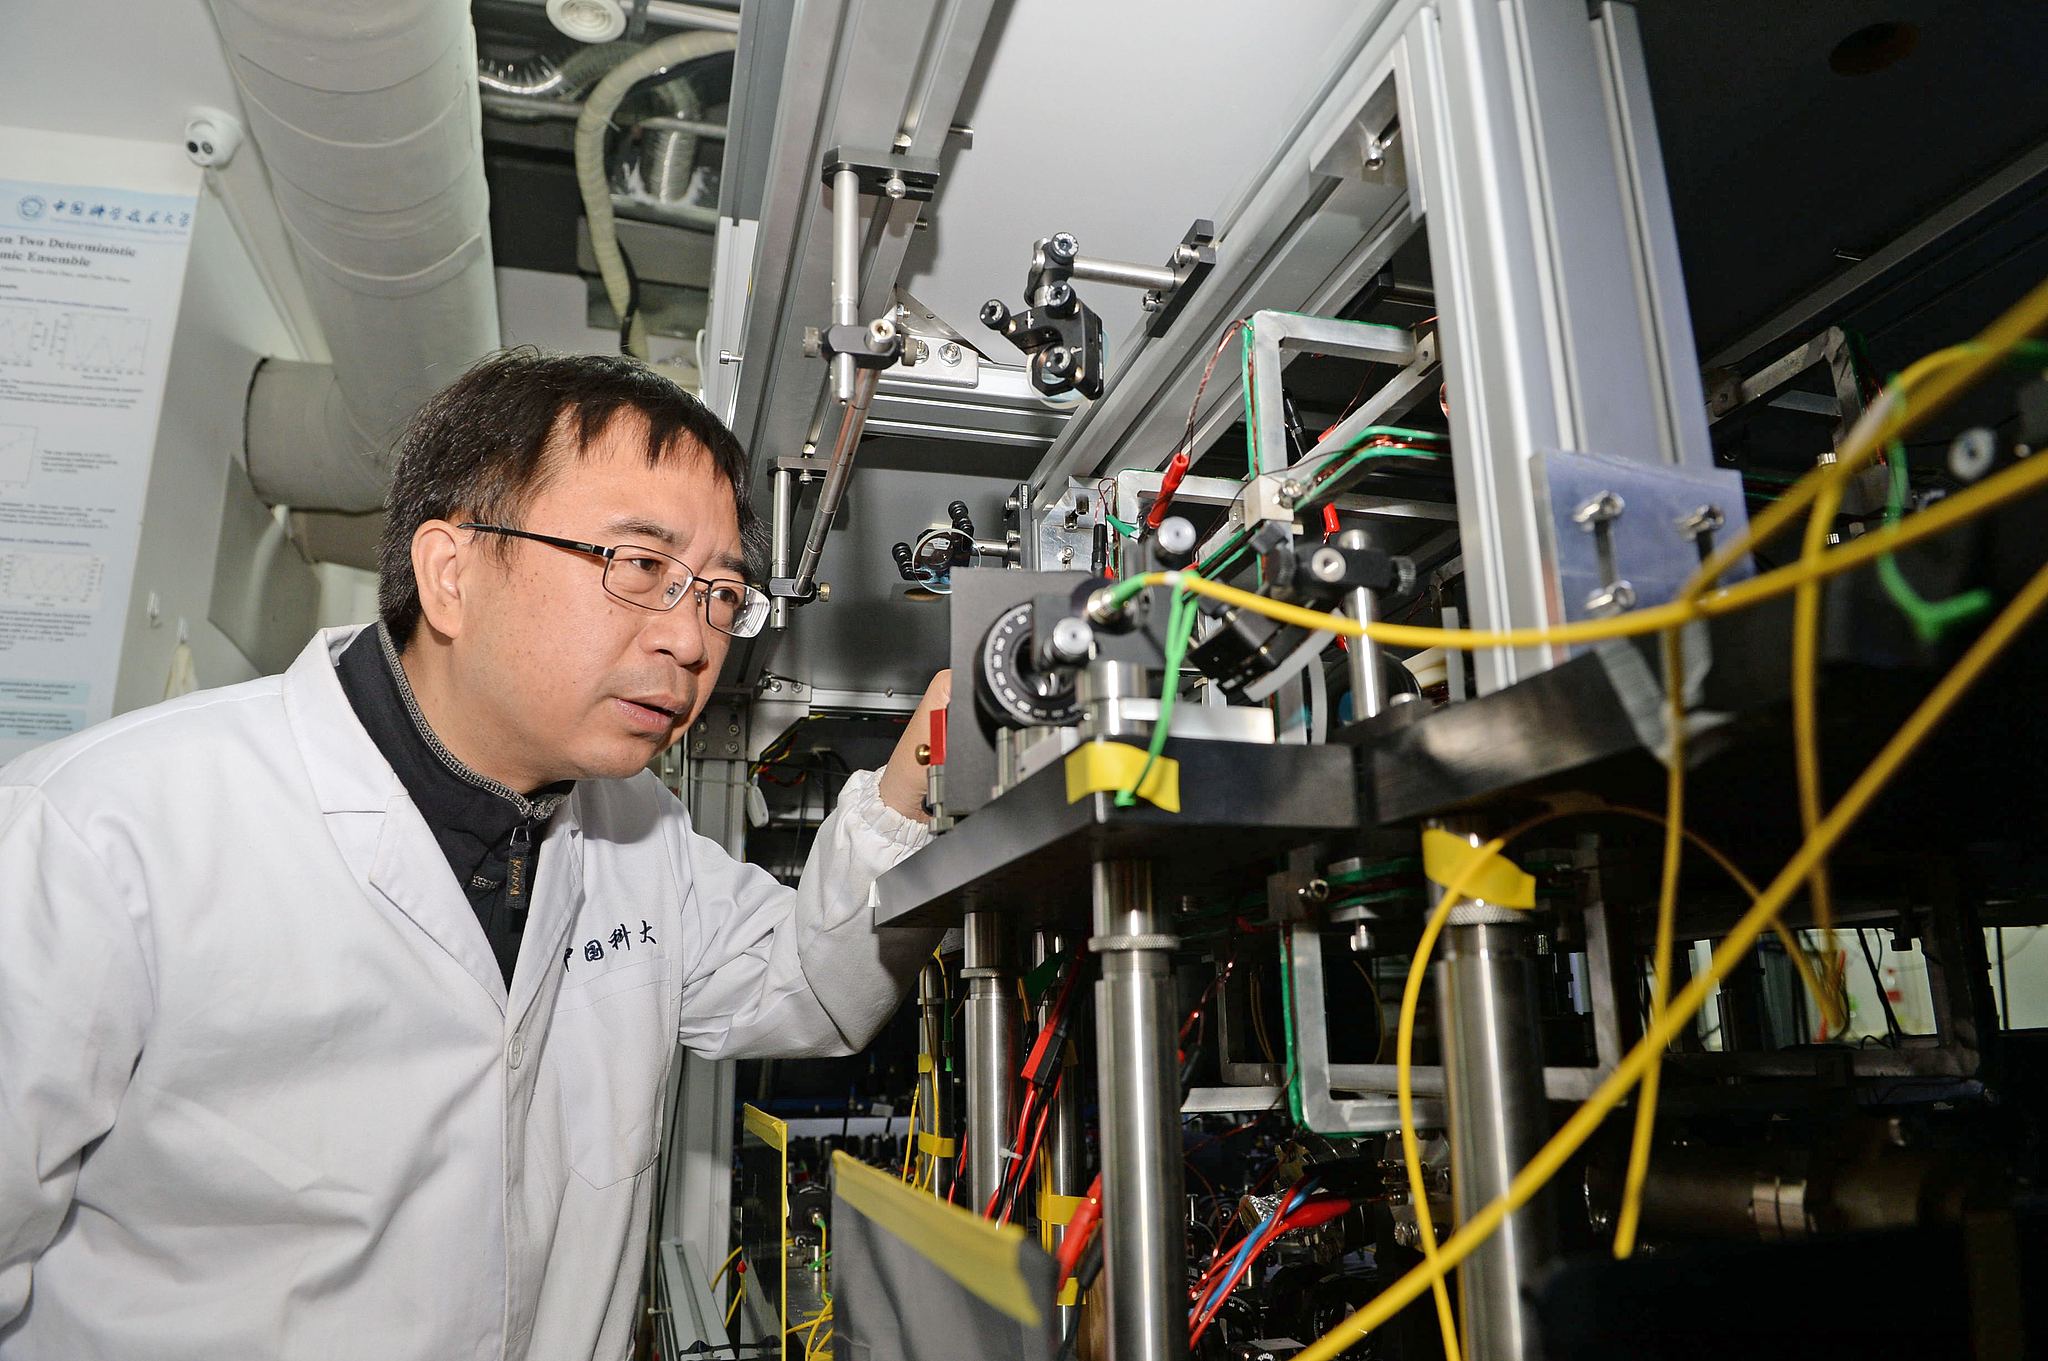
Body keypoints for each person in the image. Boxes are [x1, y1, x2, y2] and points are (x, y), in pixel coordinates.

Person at [0, 349, 947, 1359]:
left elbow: (812, 985)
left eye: (721, 593)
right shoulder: (100, 833)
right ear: (450, 572)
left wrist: (926, 766)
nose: (692, 640)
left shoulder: (643, 837)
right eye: (639, 567)